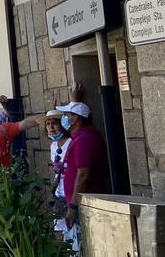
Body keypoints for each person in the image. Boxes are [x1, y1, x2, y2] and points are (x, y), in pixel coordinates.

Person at [59, 101, 108, 253]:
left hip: (83, 206)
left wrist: (73, 206)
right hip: (81, 204)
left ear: (76, 118)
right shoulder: (80, 137)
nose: (64, 118)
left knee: (86, 247)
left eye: (67, 115)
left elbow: (83, 174)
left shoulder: (85, 139)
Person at [43, 109, 72, 234]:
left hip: (71, 193)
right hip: (59, 194)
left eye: (54, 123)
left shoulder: (71, 142)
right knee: (61, 231)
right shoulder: (53, 146)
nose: (51, 127)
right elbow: (57, 172)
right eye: (48, 124)